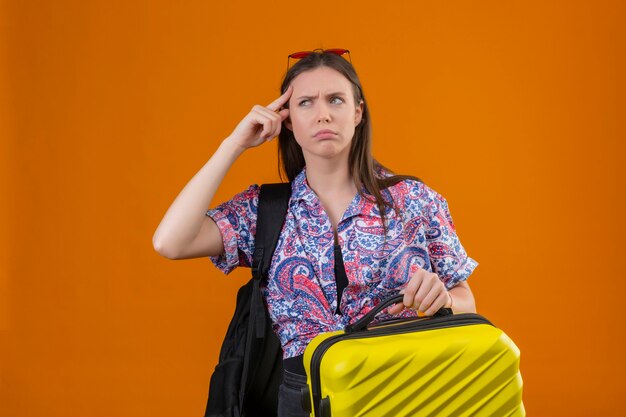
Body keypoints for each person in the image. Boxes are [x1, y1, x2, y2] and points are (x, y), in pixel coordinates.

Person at [152, 49, 478, 417]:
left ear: (357, 112)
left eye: (336, 99)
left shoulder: (416, 201)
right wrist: (233, 144)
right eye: (306, 102)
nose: (323, 113)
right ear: (288, 121)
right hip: (301, 401)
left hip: (402, 393)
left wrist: (442, 298)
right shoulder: (264, 211)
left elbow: (466, 300)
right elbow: (169, 242)